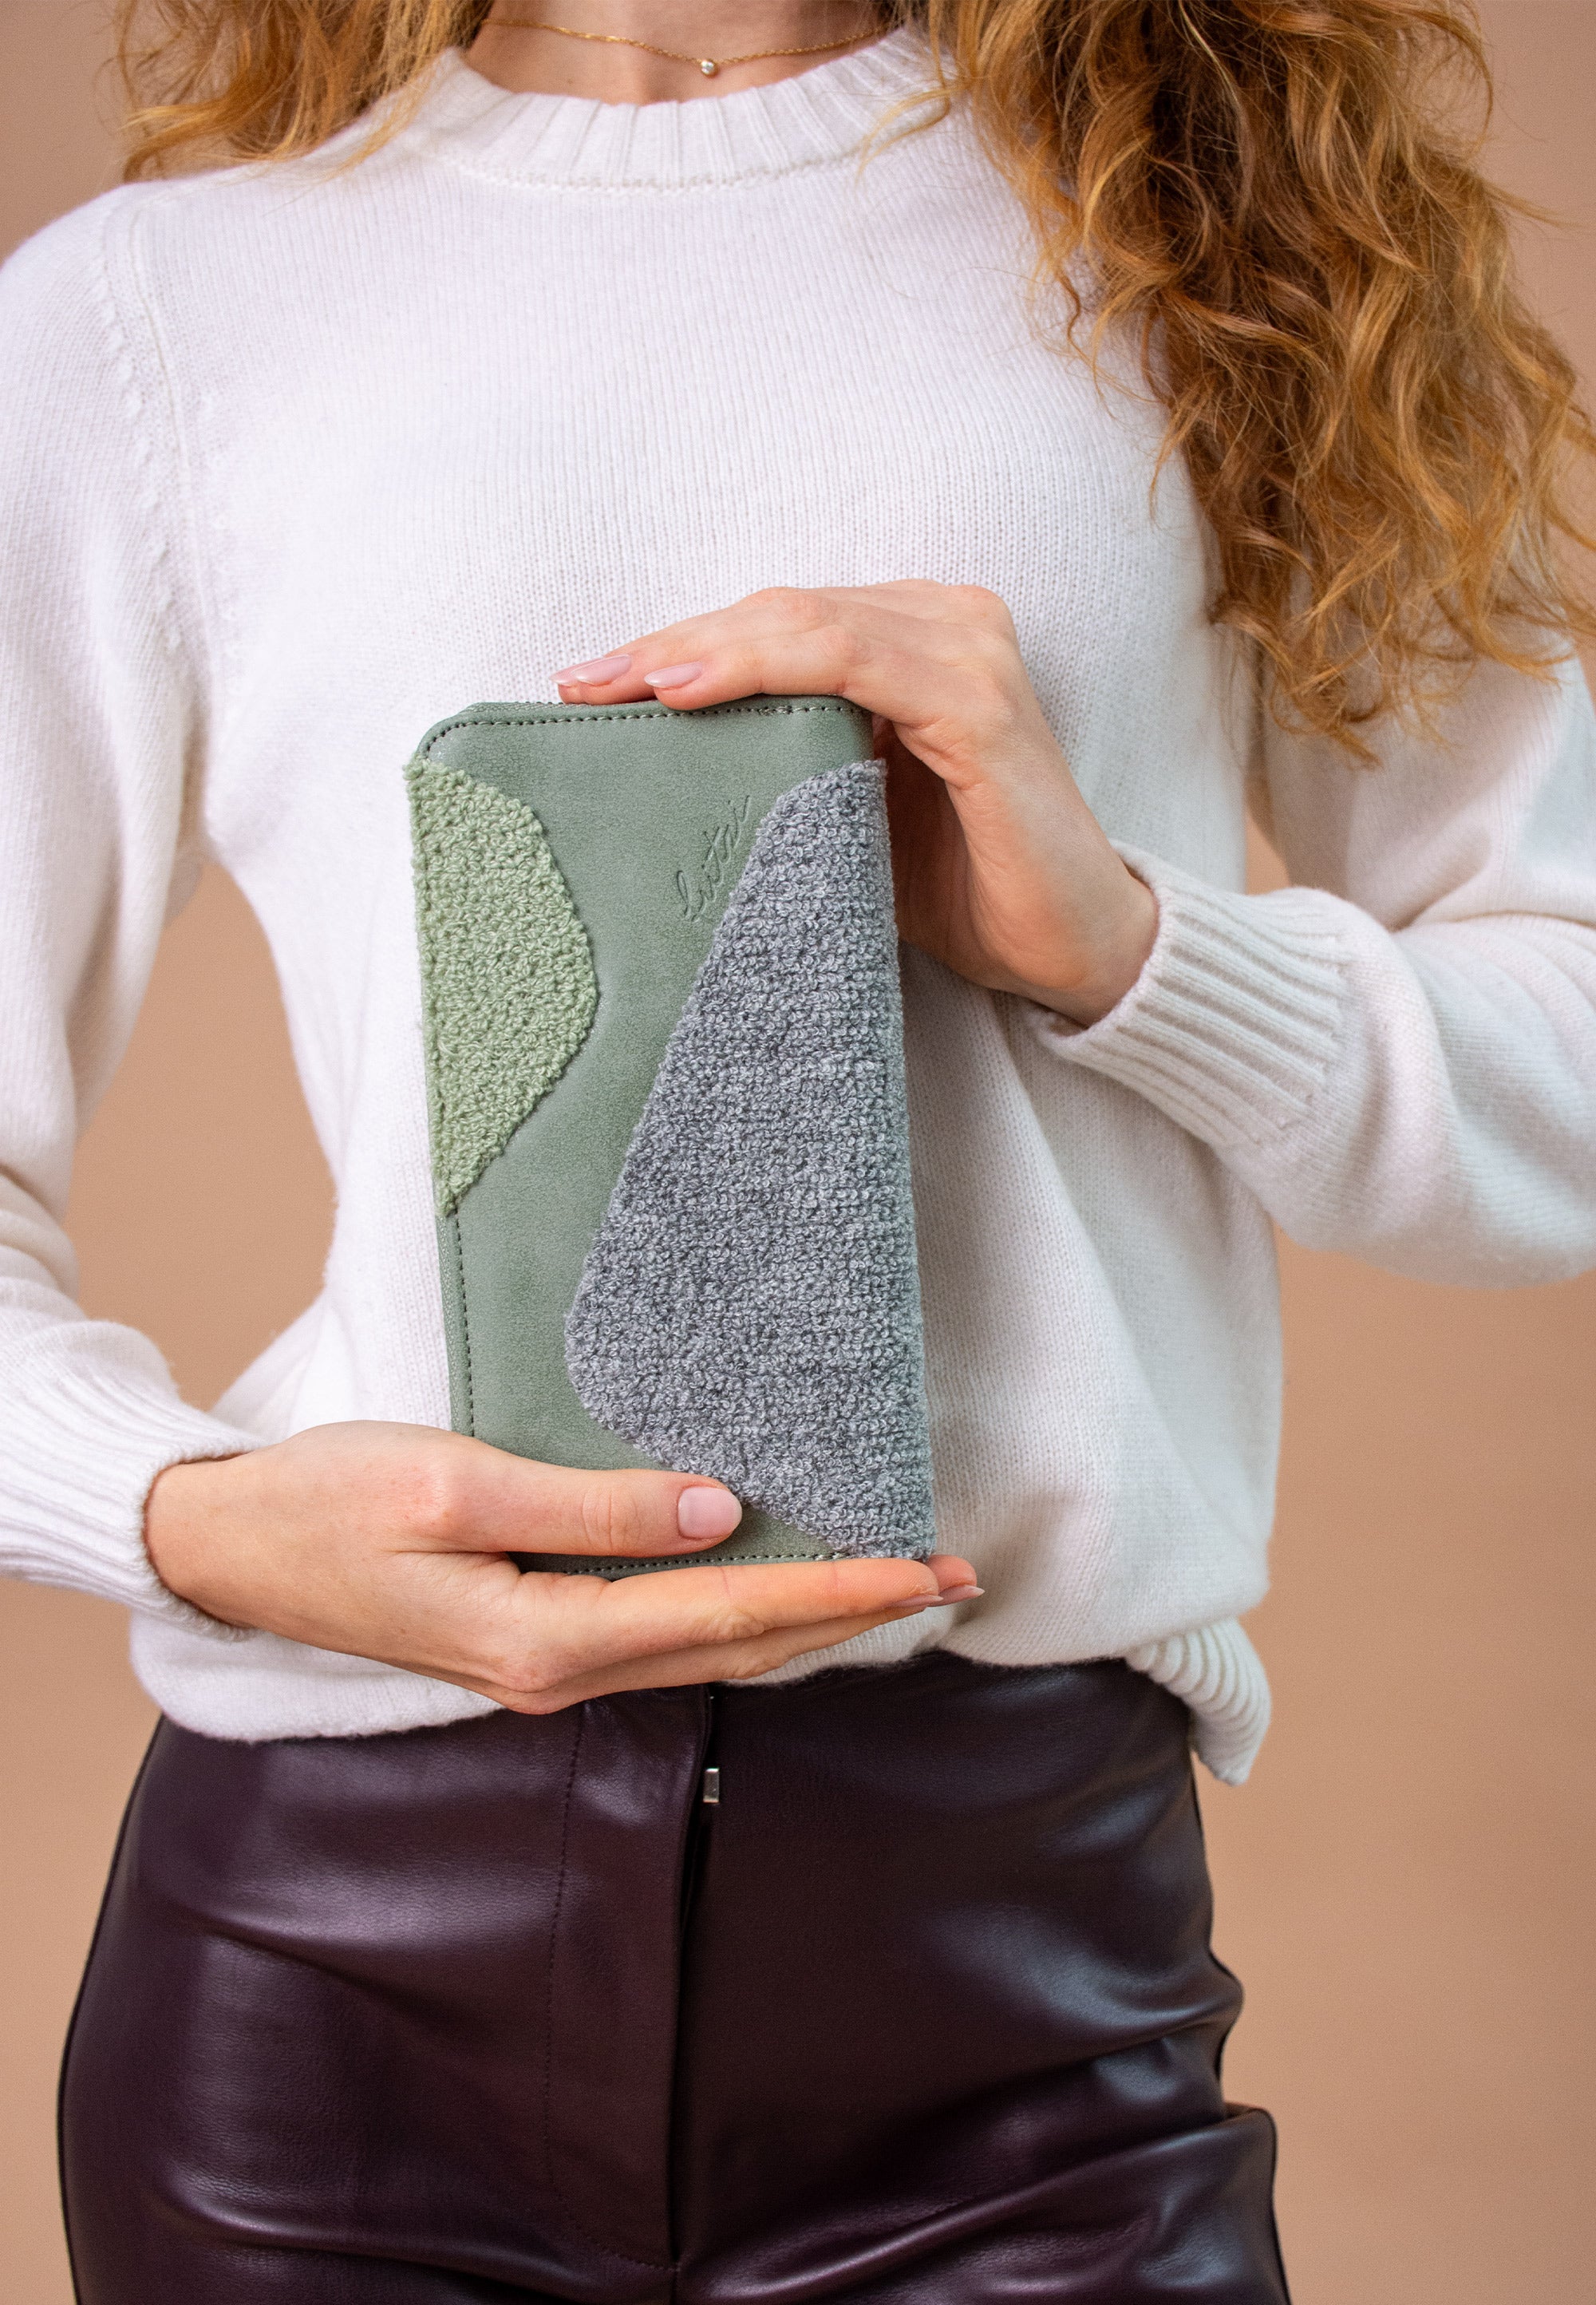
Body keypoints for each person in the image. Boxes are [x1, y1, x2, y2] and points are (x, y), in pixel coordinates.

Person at [2, 1, 1593, 2296]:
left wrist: (1134, 948)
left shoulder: (1233, 240)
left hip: (1013, 1971)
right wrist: (188, 1518)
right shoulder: (152, 318)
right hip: (327, 1979)